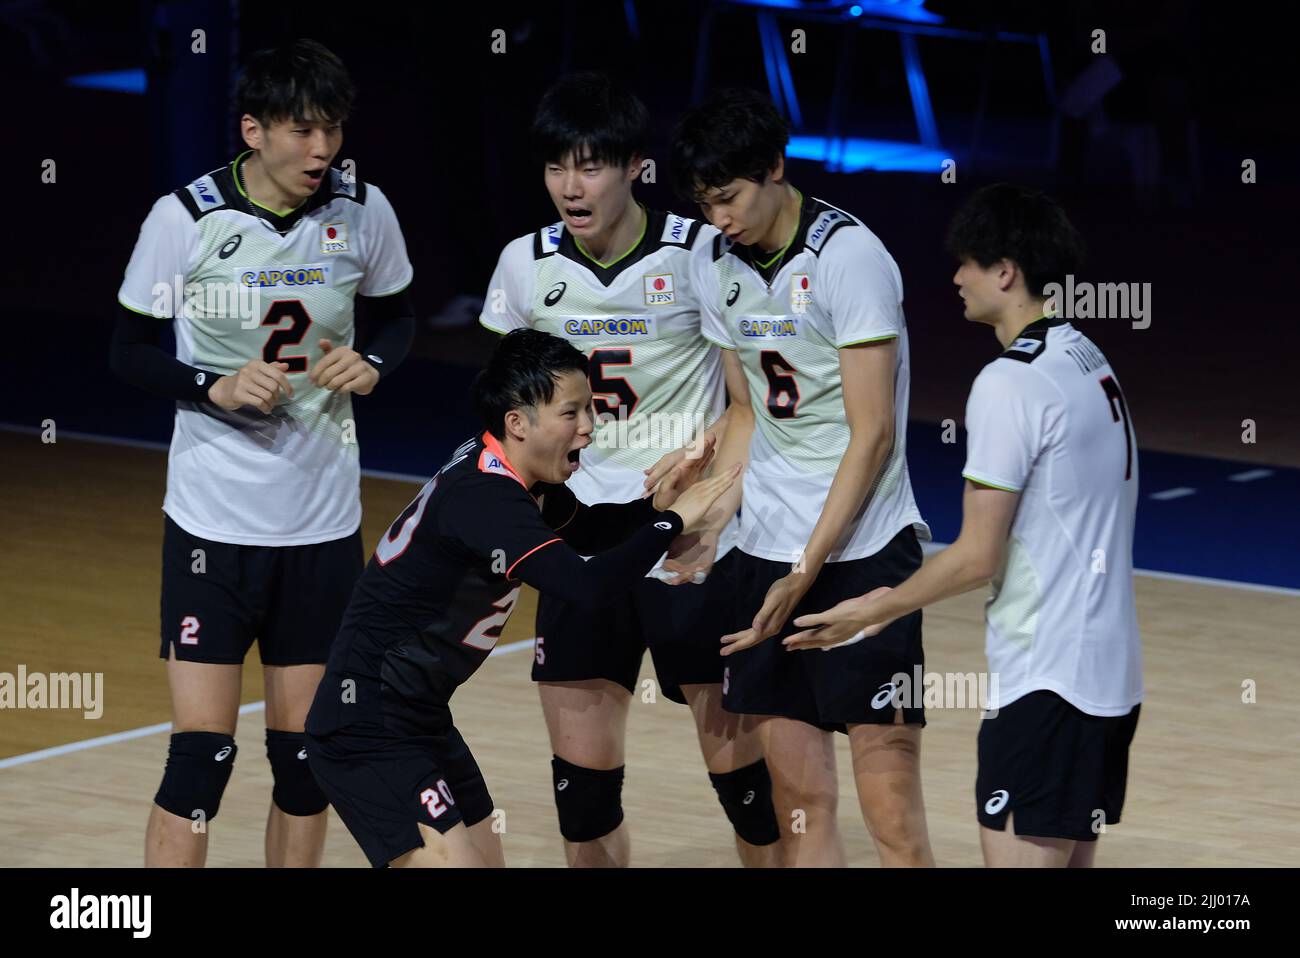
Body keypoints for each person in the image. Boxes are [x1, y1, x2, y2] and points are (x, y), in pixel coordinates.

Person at [112, 38, 416, 867]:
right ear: (254, 130)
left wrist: (376, 361)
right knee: (198, 764)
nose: (323, 150)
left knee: (306, 763)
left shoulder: (363, 210)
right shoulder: (187, 219)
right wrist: (210, 384)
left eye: (335, 130)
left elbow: (397, 317)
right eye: (303, 132)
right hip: (213, 526)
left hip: (318, 529)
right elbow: (128, 352)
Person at [783, 184, 1143, 868]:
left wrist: (874, 608)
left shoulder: (1010, 382)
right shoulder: (1087, 359)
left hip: (1047, 684)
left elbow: (978, 553)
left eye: (968, 263)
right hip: (1110, 679)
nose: (954, 277)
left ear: (1005, 271)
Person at [479, 73, 779, 866]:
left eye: (590, 166)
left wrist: (710, 488)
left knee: (749, 797)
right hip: (579, 549)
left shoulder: (699, 254)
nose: (569, 187)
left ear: (636, 167)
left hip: (685, 545)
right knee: (583, 801)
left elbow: (750, 406)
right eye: (555, 168)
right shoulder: (523, 264)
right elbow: (505, 421)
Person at [304, 329, 739, 867]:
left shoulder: (515, 478)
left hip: (420, 717)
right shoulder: (487, 499)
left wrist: (657, 507)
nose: (588, 427)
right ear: (517, 422)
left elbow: (591, 531)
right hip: (365, 725)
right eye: (571, 413)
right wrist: (674, 520)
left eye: (590, 409)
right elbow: (586, 585)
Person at [675, 88, 934, 867]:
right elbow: (746, 412)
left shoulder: (849, 257)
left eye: (730, 198)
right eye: (705, 202)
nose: (719, 218)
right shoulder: (710, 257)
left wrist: (806, 567)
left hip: (864, 554)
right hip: (766, 553)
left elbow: (873, 433)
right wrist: (712, 519)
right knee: (800, 804)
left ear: (777, 169)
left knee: (891, 814)